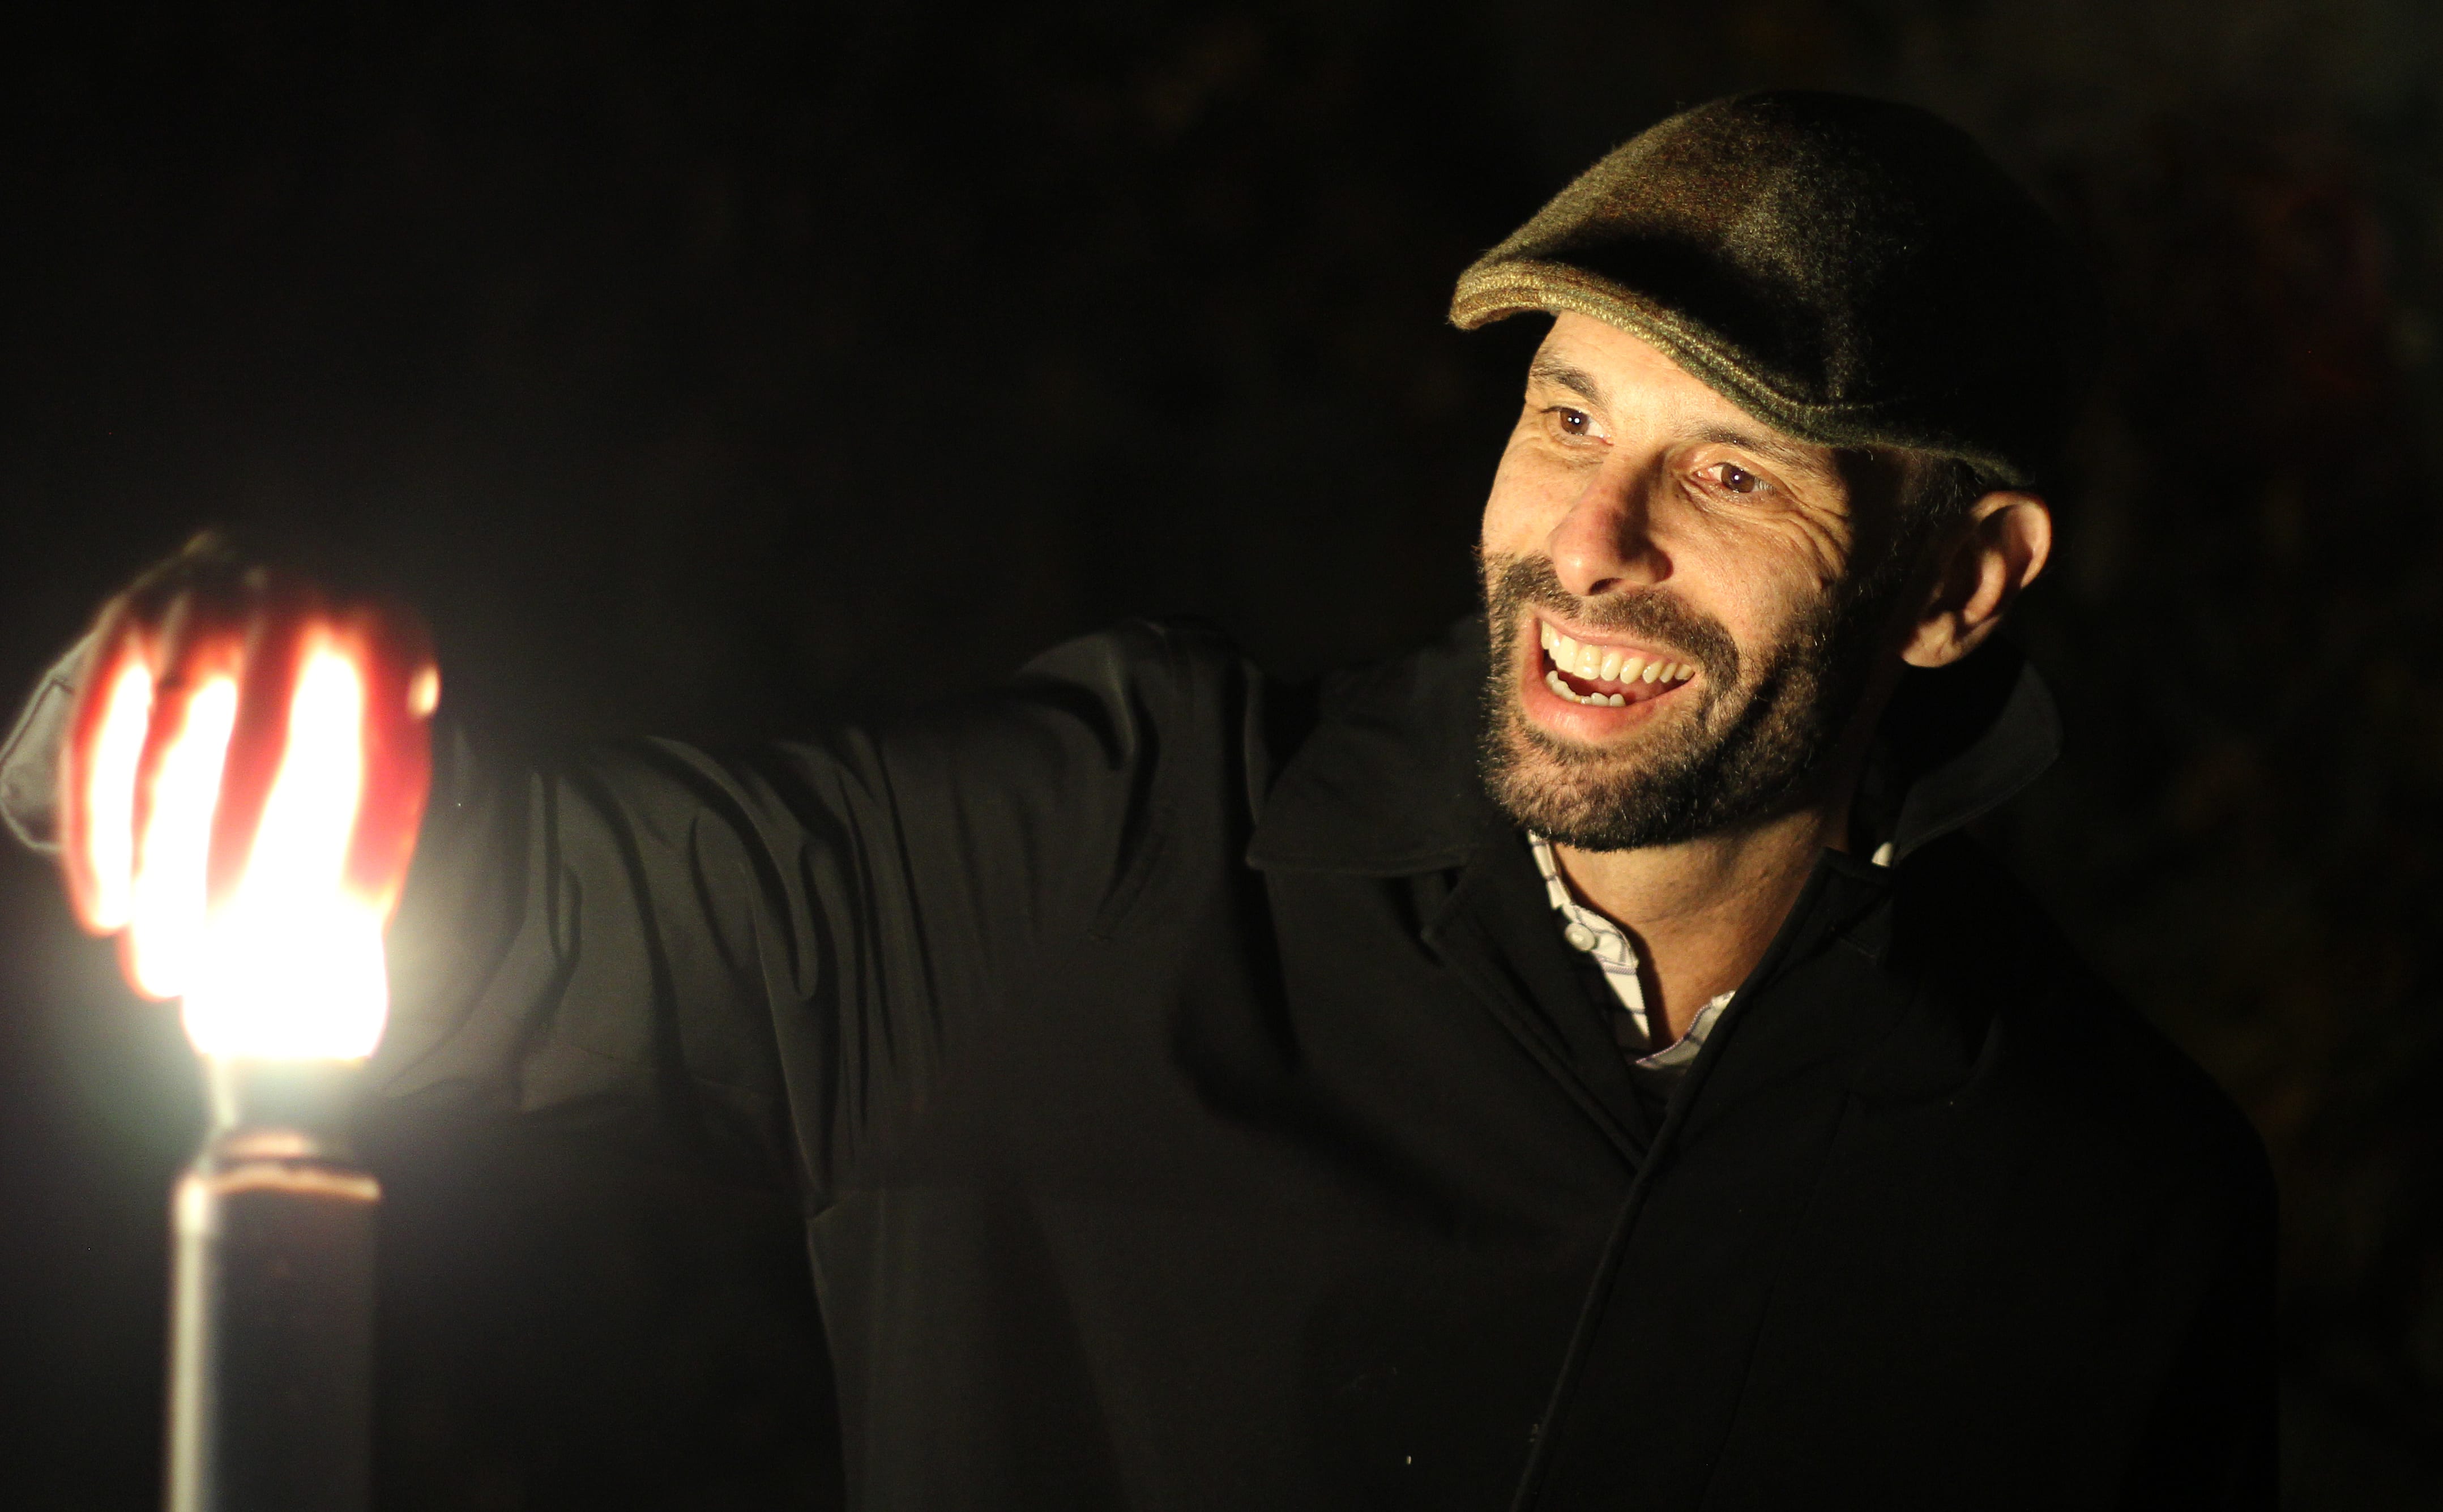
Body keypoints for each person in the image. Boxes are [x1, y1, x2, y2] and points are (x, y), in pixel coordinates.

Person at [3, 92, 2272, 1509]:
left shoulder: (2105, 1203)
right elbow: (473, 901)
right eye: (1568, 419)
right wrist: (171, 695)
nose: (1589, 541)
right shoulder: (1105, 848)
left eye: (1729, 471)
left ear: (1958, 583)